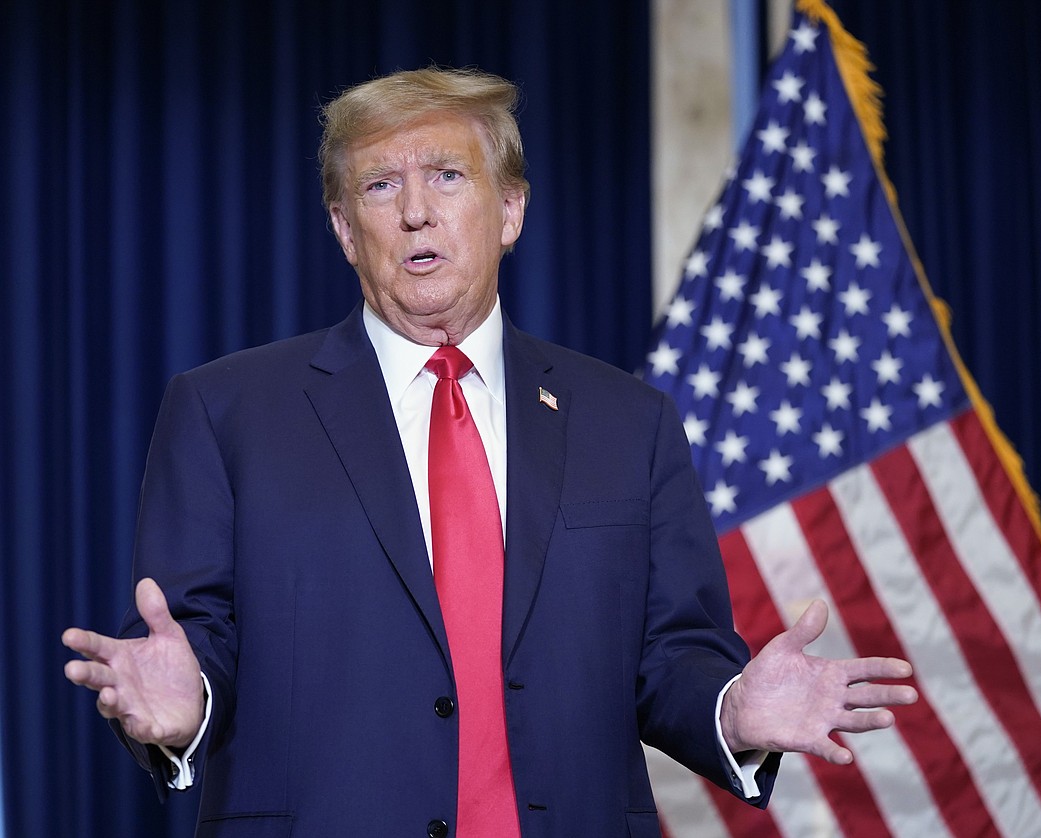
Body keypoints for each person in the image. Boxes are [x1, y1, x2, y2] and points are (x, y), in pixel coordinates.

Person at [62, 67, 917, 837]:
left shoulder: (630, 420)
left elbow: (672, 653)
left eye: (447, 175)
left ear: (510, 210)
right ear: (344, 228)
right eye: (380, 184)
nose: (415, 210)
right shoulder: (225, 410)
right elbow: (190, 636)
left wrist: (730, 708)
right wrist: (186, 702)